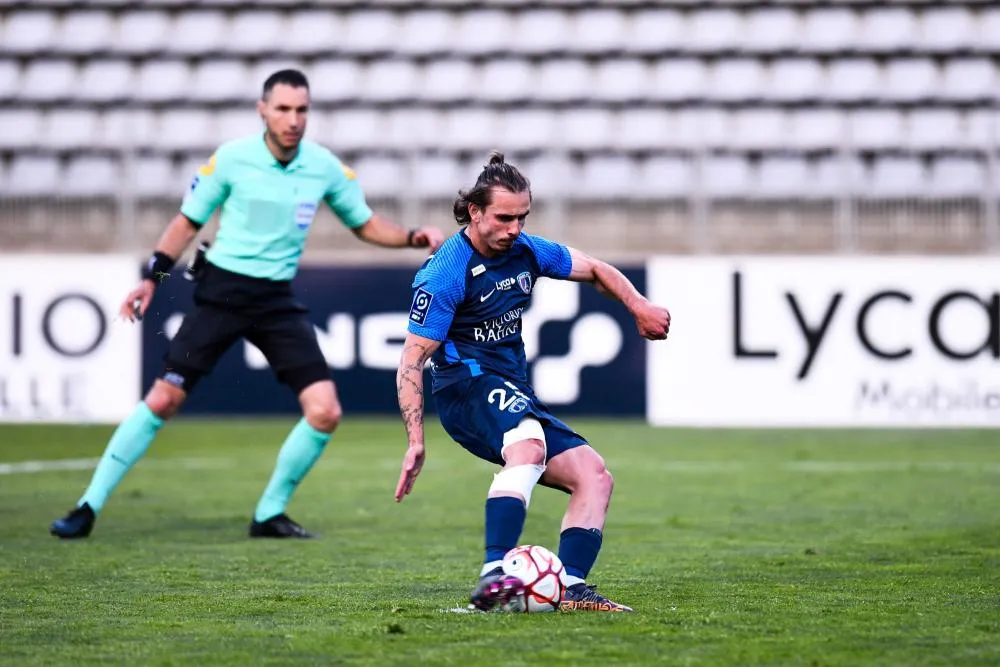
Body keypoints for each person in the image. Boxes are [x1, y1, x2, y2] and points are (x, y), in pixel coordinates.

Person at [50, 69, 445, 540]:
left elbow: (363, 223)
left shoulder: (323, 166)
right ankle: (87, 506)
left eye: (301, 110)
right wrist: (153, 279)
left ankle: (268, 514)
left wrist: (412, 237)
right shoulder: (232, 159)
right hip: (222, 294)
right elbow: (186, 222)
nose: (293, 119)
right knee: (163, 398)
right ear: (263, 111)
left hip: (275, 300)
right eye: (283, 109)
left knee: (325, 411)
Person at [394, 151, 671, 612]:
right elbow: (410, 361)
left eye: (522, 217)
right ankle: (494, 574)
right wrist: (415, 441)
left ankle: (571, 587)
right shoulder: (445, 273)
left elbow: (595, 268)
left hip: (511, 389)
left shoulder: (525, 250)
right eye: (504, 218)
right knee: (528, 445)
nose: (515, 228)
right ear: (474, 211)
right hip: (465, 387)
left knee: (594, 475)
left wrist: (638, 304)